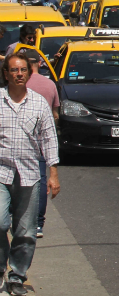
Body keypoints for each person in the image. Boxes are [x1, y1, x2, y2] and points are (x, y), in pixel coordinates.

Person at [0, 51, 59, 295]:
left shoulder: (38, 103)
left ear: (29, 73)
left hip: (30, 174)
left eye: (23, 70)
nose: (19, 74)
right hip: (1, 173)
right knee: (0, 222)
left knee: (25, 231)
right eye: (14, 70)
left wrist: (53, 174)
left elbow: (49, 139)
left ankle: (16, 275)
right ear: (6, 74)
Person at [23, 51, 57, 240]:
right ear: (39, 63)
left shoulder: (19, 85)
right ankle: (38, 223)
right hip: (42, 141)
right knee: (41, 181)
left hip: (22, 142)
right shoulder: (49, 84)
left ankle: (17, 217)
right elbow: (55, 114)